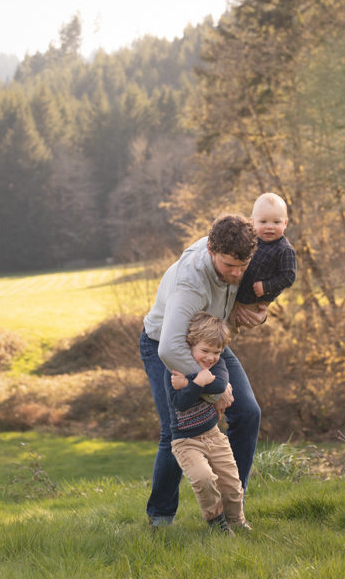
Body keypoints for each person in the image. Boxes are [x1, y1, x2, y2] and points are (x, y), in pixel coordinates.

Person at [139, 214, 263, 527]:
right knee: (175, 429)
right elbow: (170, 348)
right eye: (228, 266)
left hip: (209, 345)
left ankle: (231, 509)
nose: (236, 273)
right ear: (210, 249)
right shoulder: (191, 282)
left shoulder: (239, 245)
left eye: (242, 266)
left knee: (248, 413)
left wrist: (263, 308)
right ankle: (161, 518)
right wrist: (214, 388)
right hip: (165, 345)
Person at [168, 312, 250, 534]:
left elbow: (220, 384)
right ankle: (217, 523)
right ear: (190, 345)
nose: (210, 357)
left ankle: (237, 522)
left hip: (214, 436)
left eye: (216, 352)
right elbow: (180, 403)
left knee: (232, 484)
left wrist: (190, 382)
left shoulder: (218, 365)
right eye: (205, 351)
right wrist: (196, 383)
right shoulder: (174, 370)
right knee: (204, 479)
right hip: (186, 442)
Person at [232, 193, 296, 329]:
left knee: (229, 325)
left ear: (285, 223)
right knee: (219, 319)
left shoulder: (284, 250)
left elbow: (288, 276)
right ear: (252, 222)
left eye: (276, 222)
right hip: (237, 292)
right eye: (263, 222)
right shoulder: (251, 239)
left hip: (254, 301)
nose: (270, 227)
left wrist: (266, 286)